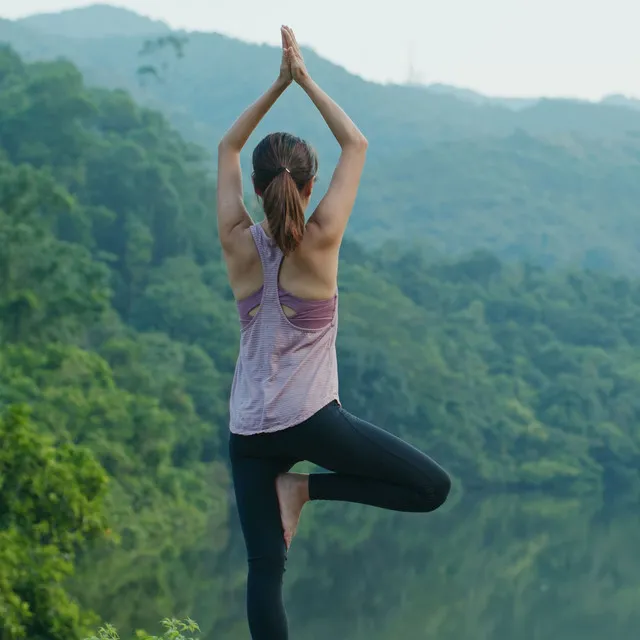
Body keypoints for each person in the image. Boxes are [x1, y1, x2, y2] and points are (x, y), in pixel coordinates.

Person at [216, 25, 451, 640]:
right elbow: (357, 143)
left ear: (262, 190)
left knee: (264, 573)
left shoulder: (237, 241)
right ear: (309, 187)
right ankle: (305, 489)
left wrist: (275, 85)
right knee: (431, 488)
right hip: (310, 418)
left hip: (247, 430)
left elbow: (226, 149)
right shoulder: (320, 240)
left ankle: (294, 487)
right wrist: (304, 78)